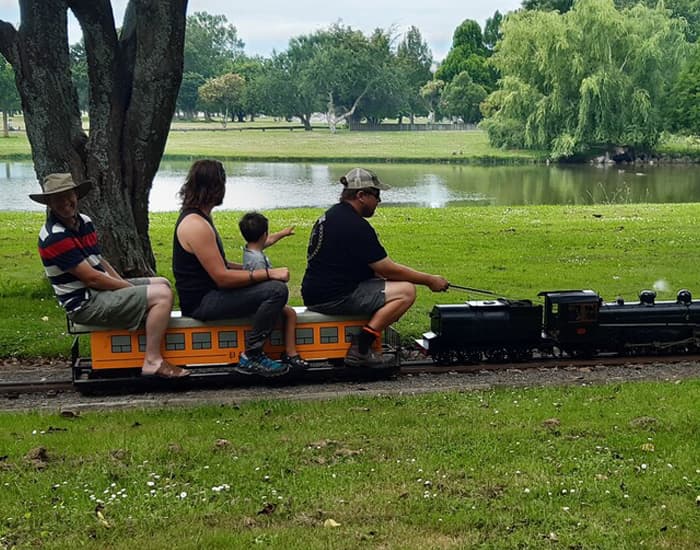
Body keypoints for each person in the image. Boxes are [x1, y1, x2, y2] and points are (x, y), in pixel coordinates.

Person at [32, 172, 189, 379]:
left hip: (98, 292)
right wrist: (130, 290)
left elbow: (99, 261)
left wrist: (123, 285)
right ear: (49, 204)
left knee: (163, 283)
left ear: (76, 195)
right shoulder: (55, 236)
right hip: (84, 303)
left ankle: (143, 335)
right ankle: (153, 360)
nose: (65, 202)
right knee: (162, 295)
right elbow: (92, 278)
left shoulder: (84, 222)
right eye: (57, 199)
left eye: (68, 195)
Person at [301, 167, 450, 367]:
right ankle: (361, 348)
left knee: (388, 286)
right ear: (361, 195)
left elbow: (365, 267)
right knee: (406, 291)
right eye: (376, 194)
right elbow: (387, 269)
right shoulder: (355, 225)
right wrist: (429, 280)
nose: (379, 200)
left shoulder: (331, 216)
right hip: (334, 297)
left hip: (315, 292)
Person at [172, 159, 290, 377]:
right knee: (276, 290)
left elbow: (221, 264)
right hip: (202, 302)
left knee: (270, 285)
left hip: (207, 295)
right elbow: (222, 278)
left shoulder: (199, 217)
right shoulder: (196, 225)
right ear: (216, 187)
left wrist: (250, 271)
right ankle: (252, 355)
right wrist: (268, 273)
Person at [239, 211, 310, 370]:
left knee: (289, 312)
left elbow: (268, 240)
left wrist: (283, 233)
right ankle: (291, 353)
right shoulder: (257, 260)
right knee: (290, 313)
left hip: (257, 298)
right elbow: (263, 284)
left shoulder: (250, 249)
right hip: (262, 301)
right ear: (264, 234)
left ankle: (289, 352)